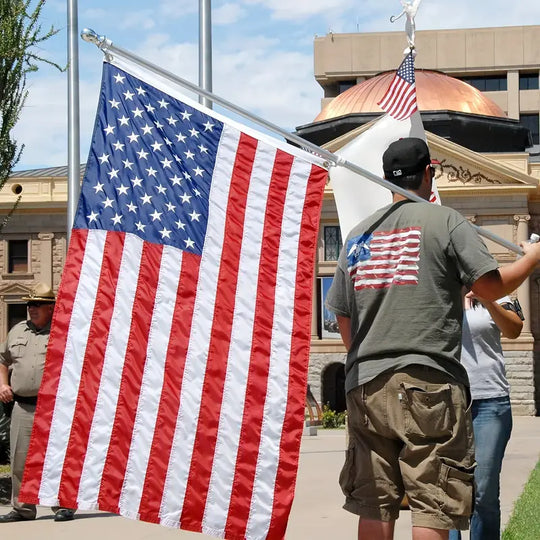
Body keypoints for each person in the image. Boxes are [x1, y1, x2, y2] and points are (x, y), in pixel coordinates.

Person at [325, 137, 540, 540]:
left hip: (365, 385)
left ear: (388, 178)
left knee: (374, 502)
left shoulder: (358, 235)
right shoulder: (445, 221)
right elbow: (491, 288)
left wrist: (361, 355)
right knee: (432, 503)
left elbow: (339, 309)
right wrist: (530, 258)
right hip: (428, 382)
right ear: (429, 173)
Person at [449, 292, 522, 540]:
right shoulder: (440, 288)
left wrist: (487, 298)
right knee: (448, 488)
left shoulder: (498, 292)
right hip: (447, 402)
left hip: (491, 400)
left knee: (484, 490)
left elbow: (514, 329)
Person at [0, 283, 75, 523]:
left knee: (55, 459)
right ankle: (22, 509)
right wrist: (3, 384)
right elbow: (3, 360)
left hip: (53, 407)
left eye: (36, 304)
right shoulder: (17, 330)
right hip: (21, 406)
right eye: (29, 304)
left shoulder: (63, 332)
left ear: (51, 308)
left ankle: (62, 506)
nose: (31, 308)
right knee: (20, 459)